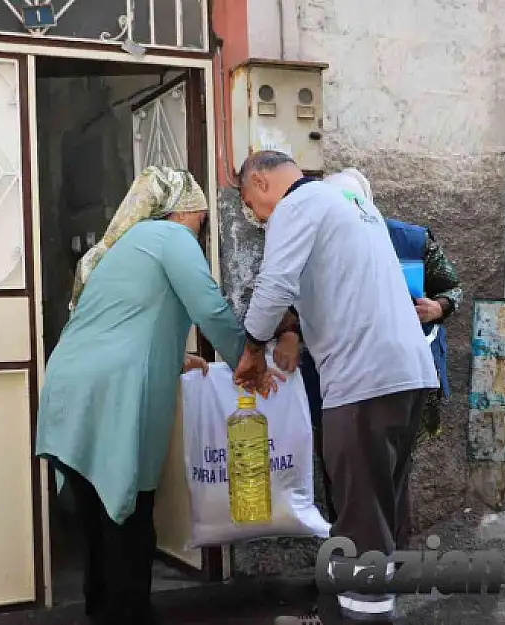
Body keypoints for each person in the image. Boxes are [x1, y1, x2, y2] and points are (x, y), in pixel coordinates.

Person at [35, 166, 279, 625]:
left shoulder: (122, 247)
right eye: (200, 218)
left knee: (95, 514)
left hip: (71, 384)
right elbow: (208, 305)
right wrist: (250, 362)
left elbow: (126, 318)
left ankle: (103, 611)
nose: (200, 228)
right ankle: (130, 614)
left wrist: (174, 357)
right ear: (182, 210)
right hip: (113, 390)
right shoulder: (171, 239)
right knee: (128, 512)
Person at [233, 151, 439, 622]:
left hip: (363, 379)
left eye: (250, 204)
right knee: (372, 510)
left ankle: (365, 614)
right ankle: (336, 613)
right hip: (406, 374)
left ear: (262, 182)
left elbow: (273, 286)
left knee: (363, 517)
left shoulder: (297, 205)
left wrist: (250, 352)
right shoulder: (348, 205)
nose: (256, 217)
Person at [275, 169, 463, 541]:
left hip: (396, 373)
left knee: (387, 478)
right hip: (338, 376)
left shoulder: (411, 239)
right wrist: (289, 332)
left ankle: (375, 573)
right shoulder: (318, 238)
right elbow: (295, 299)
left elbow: (453, 287)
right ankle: (355, 567)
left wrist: (438, 307)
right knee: (348, 478)